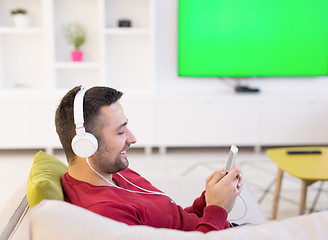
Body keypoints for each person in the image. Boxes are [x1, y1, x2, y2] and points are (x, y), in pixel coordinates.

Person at [55, 86, 243, 233]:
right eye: (120, 131)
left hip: (217, 229)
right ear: (87, 145)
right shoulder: (106, 213)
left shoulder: (114, 172)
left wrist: (209, 199)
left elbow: (171, 224)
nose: (132, 138)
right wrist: (218, 208)